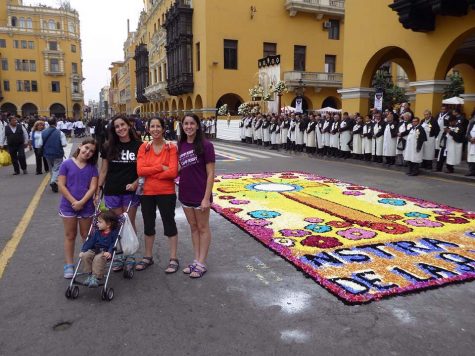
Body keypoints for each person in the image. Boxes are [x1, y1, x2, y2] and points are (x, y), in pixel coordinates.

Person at [97, 116, 142, 271]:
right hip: (112, 190)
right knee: (117, 224)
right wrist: (98, 190)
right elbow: (103, 170)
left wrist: (136, 183)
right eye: (117, 126)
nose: (120, 128)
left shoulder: (139, 145)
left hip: (130, 191)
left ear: (128, 126)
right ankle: (120, 254)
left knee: (129, 223)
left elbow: (142, 170)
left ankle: (130, 255)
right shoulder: (108, 146)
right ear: (113, 130)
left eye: (122, 125)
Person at [136, 117, 179, 273]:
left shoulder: (171, 148)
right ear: (148, 129)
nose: (155, 129)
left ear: (163, 128)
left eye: (158, 126)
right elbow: (140, 171)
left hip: (166, 192)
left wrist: (152, 171)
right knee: (148, 224)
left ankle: (173, 258)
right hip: (147, 192)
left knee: (169, 223)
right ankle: (148, 256)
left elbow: (173, 172)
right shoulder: (144, 148)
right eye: (152, 126)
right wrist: (162, 167)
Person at [178, 114, 215, 278]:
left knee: (202, 227)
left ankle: (201, 262)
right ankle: (196, 259)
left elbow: (211, 173)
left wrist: (206, 198)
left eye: (192, 123)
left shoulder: (206, 146)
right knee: (193, 228)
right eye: (186, 124)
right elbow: (179, 168)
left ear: (198, 126)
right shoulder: (181, 144)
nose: (189, 126)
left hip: (201, 194)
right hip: (185, 192)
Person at [58, 138, 99, 279]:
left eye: (91, 151)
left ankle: (88, 264)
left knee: (86, 236)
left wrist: (81, 202)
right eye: (86, 148)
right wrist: (74, 201)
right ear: (80, 146)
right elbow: (61, 185)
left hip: (86, 206)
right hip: (68, 206)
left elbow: (93, 187)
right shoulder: (66, 164)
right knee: (70, 235)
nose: (87, 152)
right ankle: (69, 265)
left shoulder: (93, 168)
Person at [79, 210, 119, 288]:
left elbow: (113, 244)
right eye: (97, 222)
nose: (97, 224)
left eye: (100, 222)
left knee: (98, 258)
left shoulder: (113, 233)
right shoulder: (97, 232)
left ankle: (95, 277)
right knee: (86, 256)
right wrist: (83, 251)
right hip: (94, 250)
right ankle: (89, 274)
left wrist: (110, 252)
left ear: (108, 224)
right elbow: (90, 242)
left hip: (104, 252)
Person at [42, 117, 68, 192]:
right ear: (56, 123)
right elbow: (64, 144)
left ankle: (53, 181)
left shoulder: (43, 132)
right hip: (58, 153)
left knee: (51, 168)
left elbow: (40, 144)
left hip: (47, 153)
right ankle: (53, 181)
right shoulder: (60, 132)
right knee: (57, 168)